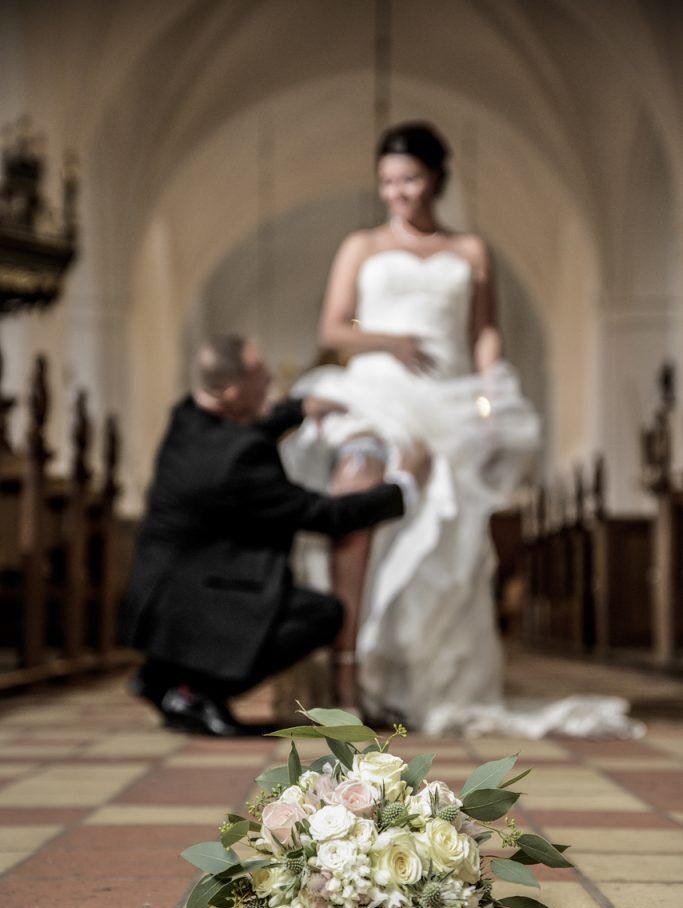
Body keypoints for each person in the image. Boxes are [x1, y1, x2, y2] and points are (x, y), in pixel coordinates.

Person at [283, 121, 642, 738]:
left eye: (410, 179)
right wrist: (389, 339)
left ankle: (413, 676)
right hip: (378, 389)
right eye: (388, 182)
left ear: (437, 179)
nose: (398, 193)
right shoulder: (362, 245)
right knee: (358, 487)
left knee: (443, 534)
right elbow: (333, 330)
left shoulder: (470, 250)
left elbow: (482, 330)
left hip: (447, 397)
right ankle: (347, 668)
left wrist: (491, 389)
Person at [120, 333, 430, 737]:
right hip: (193, 601)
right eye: (260, 376)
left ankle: (161, 675)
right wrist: (403, 483)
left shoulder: (188, 416)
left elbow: (243, 430)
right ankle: (197, 690)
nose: (270, 382)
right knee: (323, 613)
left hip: (162, 592)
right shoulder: (240, 459)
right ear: (232, 392)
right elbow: (327, 515)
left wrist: (298, 409)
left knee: (279, 597)